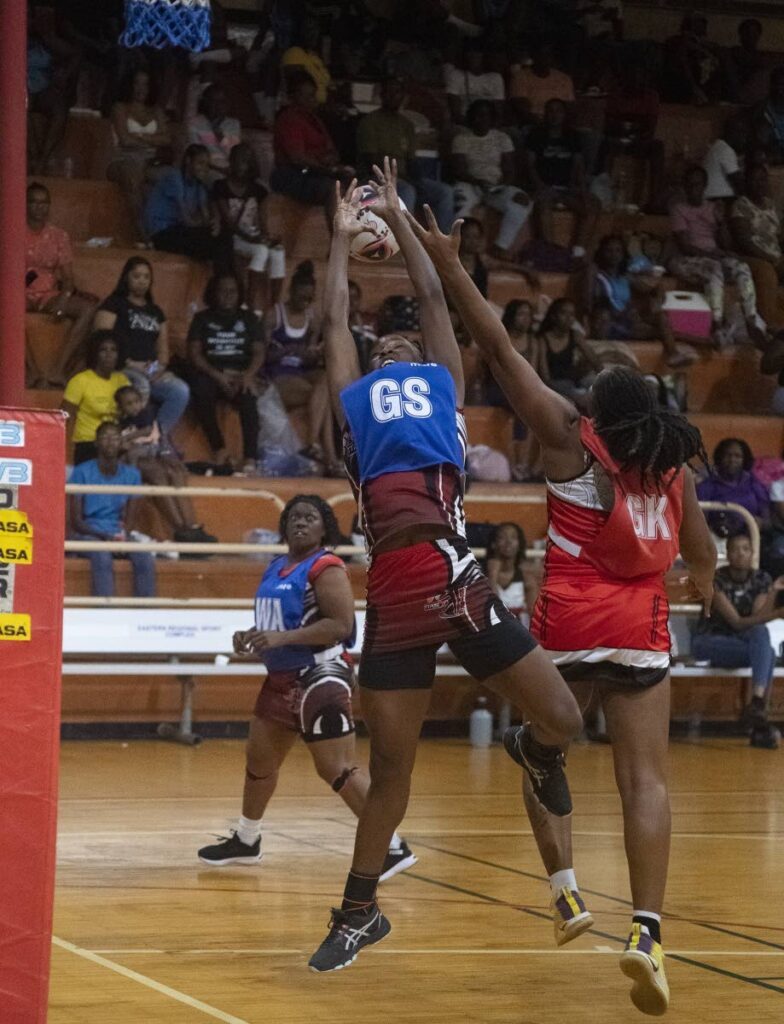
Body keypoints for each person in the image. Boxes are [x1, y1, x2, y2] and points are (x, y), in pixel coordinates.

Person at [406, 207, 717, 1016]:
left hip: (573, 625)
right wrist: (707, 588)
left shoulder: (572, 441)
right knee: (645, 780)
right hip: (643, 630)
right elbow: (705, 554)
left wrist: (449, 263)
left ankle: (566, 888)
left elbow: (499, 350)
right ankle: (647, 932)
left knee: (545, 746)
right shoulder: (670, 469)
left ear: (598, 410)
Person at [308, 160, 583, 973]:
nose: (392, 340)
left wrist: (397, 218)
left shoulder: (441, 385)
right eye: (380, 340)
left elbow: (432, 304)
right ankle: (360, 911)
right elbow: (332, 326)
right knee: (390, 767)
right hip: (391, 585)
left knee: (561, 718)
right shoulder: (356, 410)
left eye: (403, 340)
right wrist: (335, 243)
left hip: (449, 568)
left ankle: (535, 751)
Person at [197, 494, 417, 877]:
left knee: (338, 769)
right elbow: (282, 624)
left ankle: (392, 846)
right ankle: (247, 841)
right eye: (294, 517)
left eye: (310, 517)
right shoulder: (276, 567)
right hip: (281, 680)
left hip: (321, 677)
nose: (300, 522)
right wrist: (252, 636)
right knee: (259, 761)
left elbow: (342, 626)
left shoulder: (326, 566)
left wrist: (280, 640)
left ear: (323, 528)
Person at [692, 532, 781, 744]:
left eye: (746, 549)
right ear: (728, 554)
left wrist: (773, 593)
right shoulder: (717, 580)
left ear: (752, 553)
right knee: (765, 651)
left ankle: (757, 705)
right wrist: (777, 614)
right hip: (710, 642)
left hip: (742, 644)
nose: (741, 554)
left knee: (763, 638)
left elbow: (758, 618)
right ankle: (759, 717)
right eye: (735, 549)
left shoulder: (761, 578)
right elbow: (737, 622)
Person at [93, 257, 190, 444]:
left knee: (180, 390)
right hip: (122, 367)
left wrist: (158, 369)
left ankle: (156, 437)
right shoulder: (114, 304)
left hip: (149, 369)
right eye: (137, 276)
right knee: (141, 384)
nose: (142, 281)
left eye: (146, 277)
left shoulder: (156, 312)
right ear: (126, 278)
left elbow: (163, 351)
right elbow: (99, 339)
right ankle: (134, 434)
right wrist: (130, 363)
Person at [669, 165, 764, 346]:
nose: (693, 189)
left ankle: (751, 319)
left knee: (742, 267)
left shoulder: (713, 208)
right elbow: (684, 246)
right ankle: (717, 323)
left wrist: (721, 222)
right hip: (690, 259)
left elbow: (726, 244)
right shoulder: (678, 209)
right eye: (690, 185)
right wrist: (713, 255)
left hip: (713, 255)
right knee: (715, 269)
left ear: (704, 186)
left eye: (697, 185)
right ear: (685, 187)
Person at [182, 273, 264, 473]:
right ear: (213, 293)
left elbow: (259, 352)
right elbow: (194, 353)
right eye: (222, 291)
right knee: (201, 391)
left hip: (240, 374)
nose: (228, 295)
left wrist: (247, 375)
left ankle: (250, 459)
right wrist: (218, 376)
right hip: (211, 373)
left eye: (232, 291)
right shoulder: (202, 318)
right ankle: (219, 449)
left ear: (239, 294)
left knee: (248, 398)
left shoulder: (249, 318)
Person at [115, 384, 216, 545]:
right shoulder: (120, 424)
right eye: (128, 404)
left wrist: (167, 456)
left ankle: (191, 527)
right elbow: (119, 446)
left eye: (136, 402)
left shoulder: (146, 416)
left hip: (153, 454)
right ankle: (182, 530)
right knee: (158, 475)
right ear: (120, 407)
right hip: (135, 460)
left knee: (175, 474)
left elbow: (157, 439)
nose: (134, 406)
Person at [68, 421, 157, 598]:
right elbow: (77, 521)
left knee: (145, 557)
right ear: (96, 443)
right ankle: (104, 613)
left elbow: (131, 517)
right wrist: (106, 538)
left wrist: (123, 535)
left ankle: (146, 613)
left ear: (121, 443)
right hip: (89, 533)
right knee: (101, 555)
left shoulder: (132, 475)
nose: (110, 442)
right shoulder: (81, 471)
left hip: (118, 533)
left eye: (115, 438)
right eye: (105, 438)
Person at [263, 261, 337, 474]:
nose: (306, 302)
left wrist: (313, 354)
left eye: (310, 298)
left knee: (327, 380)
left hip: (300, 372)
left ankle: (315, 446)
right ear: (291, 292)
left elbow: (309, 359)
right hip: (278, 375)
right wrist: (289, 350)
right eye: (302, 297)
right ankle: (326, 454)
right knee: (323, 400)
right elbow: (262, 355)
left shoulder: (312, 318)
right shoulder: (274, 315)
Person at [357, 77, 454, 233]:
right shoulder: (370, 121)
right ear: (382, 95)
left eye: (398, 92)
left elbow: (412, 160)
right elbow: (372, 161)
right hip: (378, 179)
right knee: (407, 190)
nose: (394, 96)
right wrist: (401, 178)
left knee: (444, 192)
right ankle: (404, 241)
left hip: (405, 178)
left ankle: (442, 241)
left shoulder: (406, 125)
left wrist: (417, 178)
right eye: (390, 92)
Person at [25, 182, 98, 387]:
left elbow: (68, 279)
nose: (39, 207)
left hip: (48, 293)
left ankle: (59, 369)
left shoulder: (59, 235)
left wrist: (63, 299)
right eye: (34, 202)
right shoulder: (11, 230)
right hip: (17, 292)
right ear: (25, 205)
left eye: (44, 202)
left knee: (88, 309)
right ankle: (31, 372)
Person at [588, 234, 694, 367]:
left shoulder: (626, 276)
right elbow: (597, 304)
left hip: (627, 320)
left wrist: (655, 297)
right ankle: (697, 342)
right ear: (602, 253)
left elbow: (655, 286)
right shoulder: (597, 275)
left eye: (618, 251)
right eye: (609, 250)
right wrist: (626, 312)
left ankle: (673, 354)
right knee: (664, 332)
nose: (614, 255)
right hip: (609, 322)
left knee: (660, 318)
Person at [212, 142, 286, 314]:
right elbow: (229, 223)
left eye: (246, 161)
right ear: (231, 161)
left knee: (278, 251)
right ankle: (248, 303)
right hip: (232, 237)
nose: (243, 165)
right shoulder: (220, 186)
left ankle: (274, 307)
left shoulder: (258, 190)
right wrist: (254, 239)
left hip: (252, 236)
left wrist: (268, 238)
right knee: (261, 250)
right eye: (239, 161)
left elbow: (261, 220)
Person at [452, 100, 532, 257]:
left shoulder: (502, 138)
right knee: (459, 199)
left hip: (495, 186)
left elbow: (510, 170)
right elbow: (459, 170)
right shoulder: (461, 139)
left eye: (486, 115)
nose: (481, 119)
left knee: (522, 199)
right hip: (470, 183)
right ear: (471, 118)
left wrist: (502, 185)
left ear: (492, 118)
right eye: (477, 115)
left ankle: (500, 247)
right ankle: (458, 246)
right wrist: (477, 182)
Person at [525, 99, 600, 259]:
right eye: (550, 111)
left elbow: (579, 165)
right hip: (544, 187)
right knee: (542, 206)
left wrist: (581, 190)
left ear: (565, 115)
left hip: (567, 189)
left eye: (558, 111)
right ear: (545, 114)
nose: (554, 115)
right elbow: (530, 166)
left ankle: (577, 252)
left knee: (592, 204)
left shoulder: (573, 136)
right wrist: (542, 187)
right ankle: (551, 254)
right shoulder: (536, 135)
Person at [271, 72, 354, 214]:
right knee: (333, 189)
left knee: (356, 183)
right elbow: (297, 158)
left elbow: (331, 150)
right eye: (307, 95)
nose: (312, 99)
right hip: (292, 174)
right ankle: (339, 234)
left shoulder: (314, 119)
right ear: (294, 96)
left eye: (313, 94)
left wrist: (332, 162)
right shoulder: (289, 119)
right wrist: (326, 167)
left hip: (317, 172)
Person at [107, 68, 172, 240]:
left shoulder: (156, 111)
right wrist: (153, 139)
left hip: (150, 162)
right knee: (134, 176)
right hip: (122, 159)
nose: (141, 88)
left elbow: (167, 139)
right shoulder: (120, 107)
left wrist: (140, 136)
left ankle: (169, 234)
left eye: (145, 84)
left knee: (171, 177)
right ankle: (144, 236)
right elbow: (124, 141)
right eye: (137, 83)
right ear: (130, 86)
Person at [144, 144, 231, 265]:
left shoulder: (199, 186)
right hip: (161, 232)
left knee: (223, 234)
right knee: (210, 242)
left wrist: (215, 224)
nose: (205, 168)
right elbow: (187, 220)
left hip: (180, 230)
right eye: (200, 163)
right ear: (188, 161)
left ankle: (224, 278)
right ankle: (223, 278)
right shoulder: (175, 178)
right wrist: (204, 226)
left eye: (207, 165)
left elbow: (205, 217)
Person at [61, 331, 130, 465]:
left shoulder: (122, 380)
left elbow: (131, 412)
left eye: (113, 350)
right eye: (103, 350)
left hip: (116, 443)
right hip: (88, 444)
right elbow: (64, 416)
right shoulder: (81, 380)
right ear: (94, 353)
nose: (109, 354)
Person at [730, 163, 784, 332]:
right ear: (747, 183)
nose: (759, 183)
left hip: (775, 256)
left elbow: (779, 235)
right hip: (753, 256)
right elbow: (744, 241)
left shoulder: (770, 205)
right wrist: (771, 258)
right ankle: (771, 324)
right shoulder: (741, 205)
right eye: (755, 180)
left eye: (762, 179)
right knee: (766, 270)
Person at [537, 298, 605, 409]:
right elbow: (545, 377)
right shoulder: (542, 339)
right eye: (564, 313)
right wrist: (572, 394)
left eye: (572, 314)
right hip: (556, 383)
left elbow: (594, 360)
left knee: (594, 383)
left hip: (574, 379)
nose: (569, 318)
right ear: (554, 316)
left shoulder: (575, 335)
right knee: (571, 390)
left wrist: (606, 380)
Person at [697, 438, 769, 537]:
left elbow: (767, 517)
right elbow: (700, 521)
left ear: (744, 459)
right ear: (719, 458)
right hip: (717, 537)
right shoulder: (707, 486)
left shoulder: (753, 482)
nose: (732, 460)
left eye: (737, 456)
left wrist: (760, 523)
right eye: (728, 455)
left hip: (750, 537)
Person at [484, 522, 537, 625]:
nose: (508, 542)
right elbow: (489, 610)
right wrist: (492, 576)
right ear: (493, 544)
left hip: (520, 634)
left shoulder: (526, 579)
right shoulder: (481, 577)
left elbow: (535, 616)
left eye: (513, 537)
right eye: (502, 537)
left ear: (519, 545)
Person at [508, 43, 575, 122]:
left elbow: (569, 108)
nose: (544, 58)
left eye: (547, 54)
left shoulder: (564, 79)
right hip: (533, 125)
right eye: (540, 54)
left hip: (560, 125)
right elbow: (522, 110)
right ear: (533, 56)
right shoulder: (520, 77)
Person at [187, 84, 242, 178]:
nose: (218, 105)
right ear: (206, 103)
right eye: (213, 101)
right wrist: (220, 170)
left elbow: (234, 155)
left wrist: (221, 138)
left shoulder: (233, 124)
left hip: (229, 168)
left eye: (222, 101)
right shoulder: (195, 123)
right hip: (207, 168)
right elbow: (196, 155)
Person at [445, 40, 505, 123]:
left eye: (477, 52)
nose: (473, 56)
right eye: (470, 52)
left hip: (488, 125)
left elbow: (498, 111)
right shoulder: (456, 75)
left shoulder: (496, 77)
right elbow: (455, 112)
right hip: (464, 122)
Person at [281, 15, 332, 105]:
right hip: (306, 110)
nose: (313, 33)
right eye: (309, 30)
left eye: (316, 29)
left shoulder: (315, 56)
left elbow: (327, 84)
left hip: (323, 107)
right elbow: (297, 90)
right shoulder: (294, 53)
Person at [702, 115, 747, 202]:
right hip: (718, 201)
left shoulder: (718, 146)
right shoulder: (725, 150)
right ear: (732, 132)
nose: (744, 138)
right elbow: (738, 183)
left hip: (716, 199)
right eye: (742, 133)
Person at [754, 66, 784, 165]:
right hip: (772, 152)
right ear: (771, 85)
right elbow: (759, 141)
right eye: (778, 84)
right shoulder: (762, 108)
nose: (780, 89)